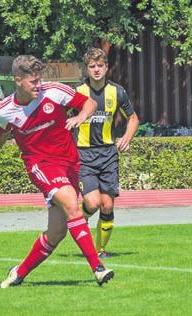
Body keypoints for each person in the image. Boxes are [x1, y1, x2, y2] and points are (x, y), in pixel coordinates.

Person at [0, 55, 114, 288]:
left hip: (70, 164)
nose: (38, 86)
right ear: (17, 80)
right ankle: (98, 267)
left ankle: (18, 273)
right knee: (71, 203)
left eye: (39, 80)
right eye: (32, 82)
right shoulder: (4, 110)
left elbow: (89, 104)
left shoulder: (54, 91)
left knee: (56, 233)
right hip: (41, 165)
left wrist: (80, 116)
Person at [74, 48, 139, 258]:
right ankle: (76, 222)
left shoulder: (117, 92)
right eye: (92, 66)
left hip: (108, 154)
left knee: (108, 204)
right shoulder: (77, 93)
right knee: (92, 203)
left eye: (100, 66)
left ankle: (99, 251)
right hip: (84, 155)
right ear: (86, 69)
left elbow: (133, 118)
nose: (96, 70)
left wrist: (127, 136)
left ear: (106, 67)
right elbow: (61, 117)